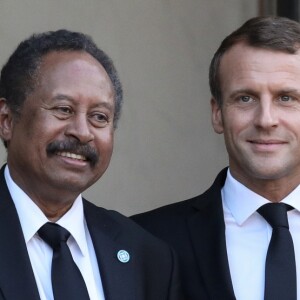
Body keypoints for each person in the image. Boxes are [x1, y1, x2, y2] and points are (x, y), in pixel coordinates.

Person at [0, 30, 182, 300]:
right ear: (7, 120)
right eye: (63, 109)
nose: (82, 132)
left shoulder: (147, 256)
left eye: (99, 117)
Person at [132, 15, 300, 300]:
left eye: (286, 98)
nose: (266, 119)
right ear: (217, 113)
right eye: (245, 98)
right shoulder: (145, 240)